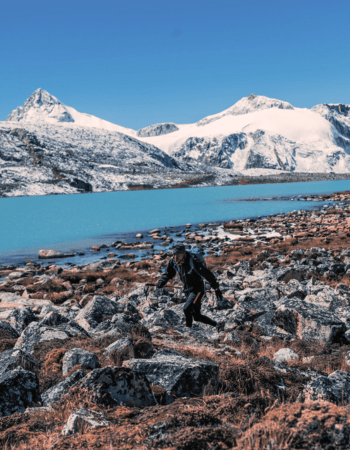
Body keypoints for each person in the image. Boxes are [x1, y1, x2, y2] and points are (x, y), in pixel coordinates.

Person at [156, 243, 225, 331]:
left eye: (178, 255)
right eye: (174, 254)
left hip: (198, 289)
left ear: (183, 254)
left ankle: (188, 330)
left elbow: (207, 274)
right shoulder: (173, 261)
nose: (175, 257)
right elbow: (169, 273)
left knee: (187, 308)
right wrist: (162, 281)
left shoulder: (193, 261)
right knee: (196, 316)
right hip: (187, 289)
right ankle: (217, 324)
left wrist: (216, 288)